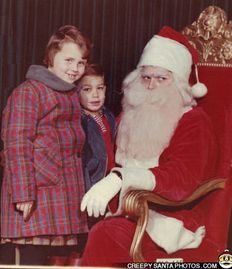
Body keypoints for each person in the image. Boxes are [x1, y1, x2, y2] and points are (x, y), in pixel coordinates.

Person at [79, 26, 218, 266]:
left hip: (166, 218)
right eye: (146, 77)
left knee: (104, 236)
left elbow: (182, 179)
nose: (151, 85)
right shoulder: (130, 114)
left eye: (161, 78)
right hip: (125, 210)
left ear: (179, 82)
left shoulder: (194, 120)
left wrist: (120, 179)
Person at [0, 25, 91, 265]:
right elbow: (16, 144)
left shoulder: (69, 94)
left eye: (81, 62)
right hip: (35, 200)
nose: (75, 68)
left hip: (61, 200)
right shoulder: (29, 92)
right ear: (51, 57)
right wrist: (23, 194)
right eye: (69, 60)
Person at [78, 63, 116, 227]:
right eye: (87, 89)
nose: (95, 95)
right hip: (91, 185)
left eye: (99, 88)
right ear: (76, 91)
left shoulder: (108, 116)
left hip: (110, 184)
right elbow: (82, 163)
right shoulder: (80, 121)